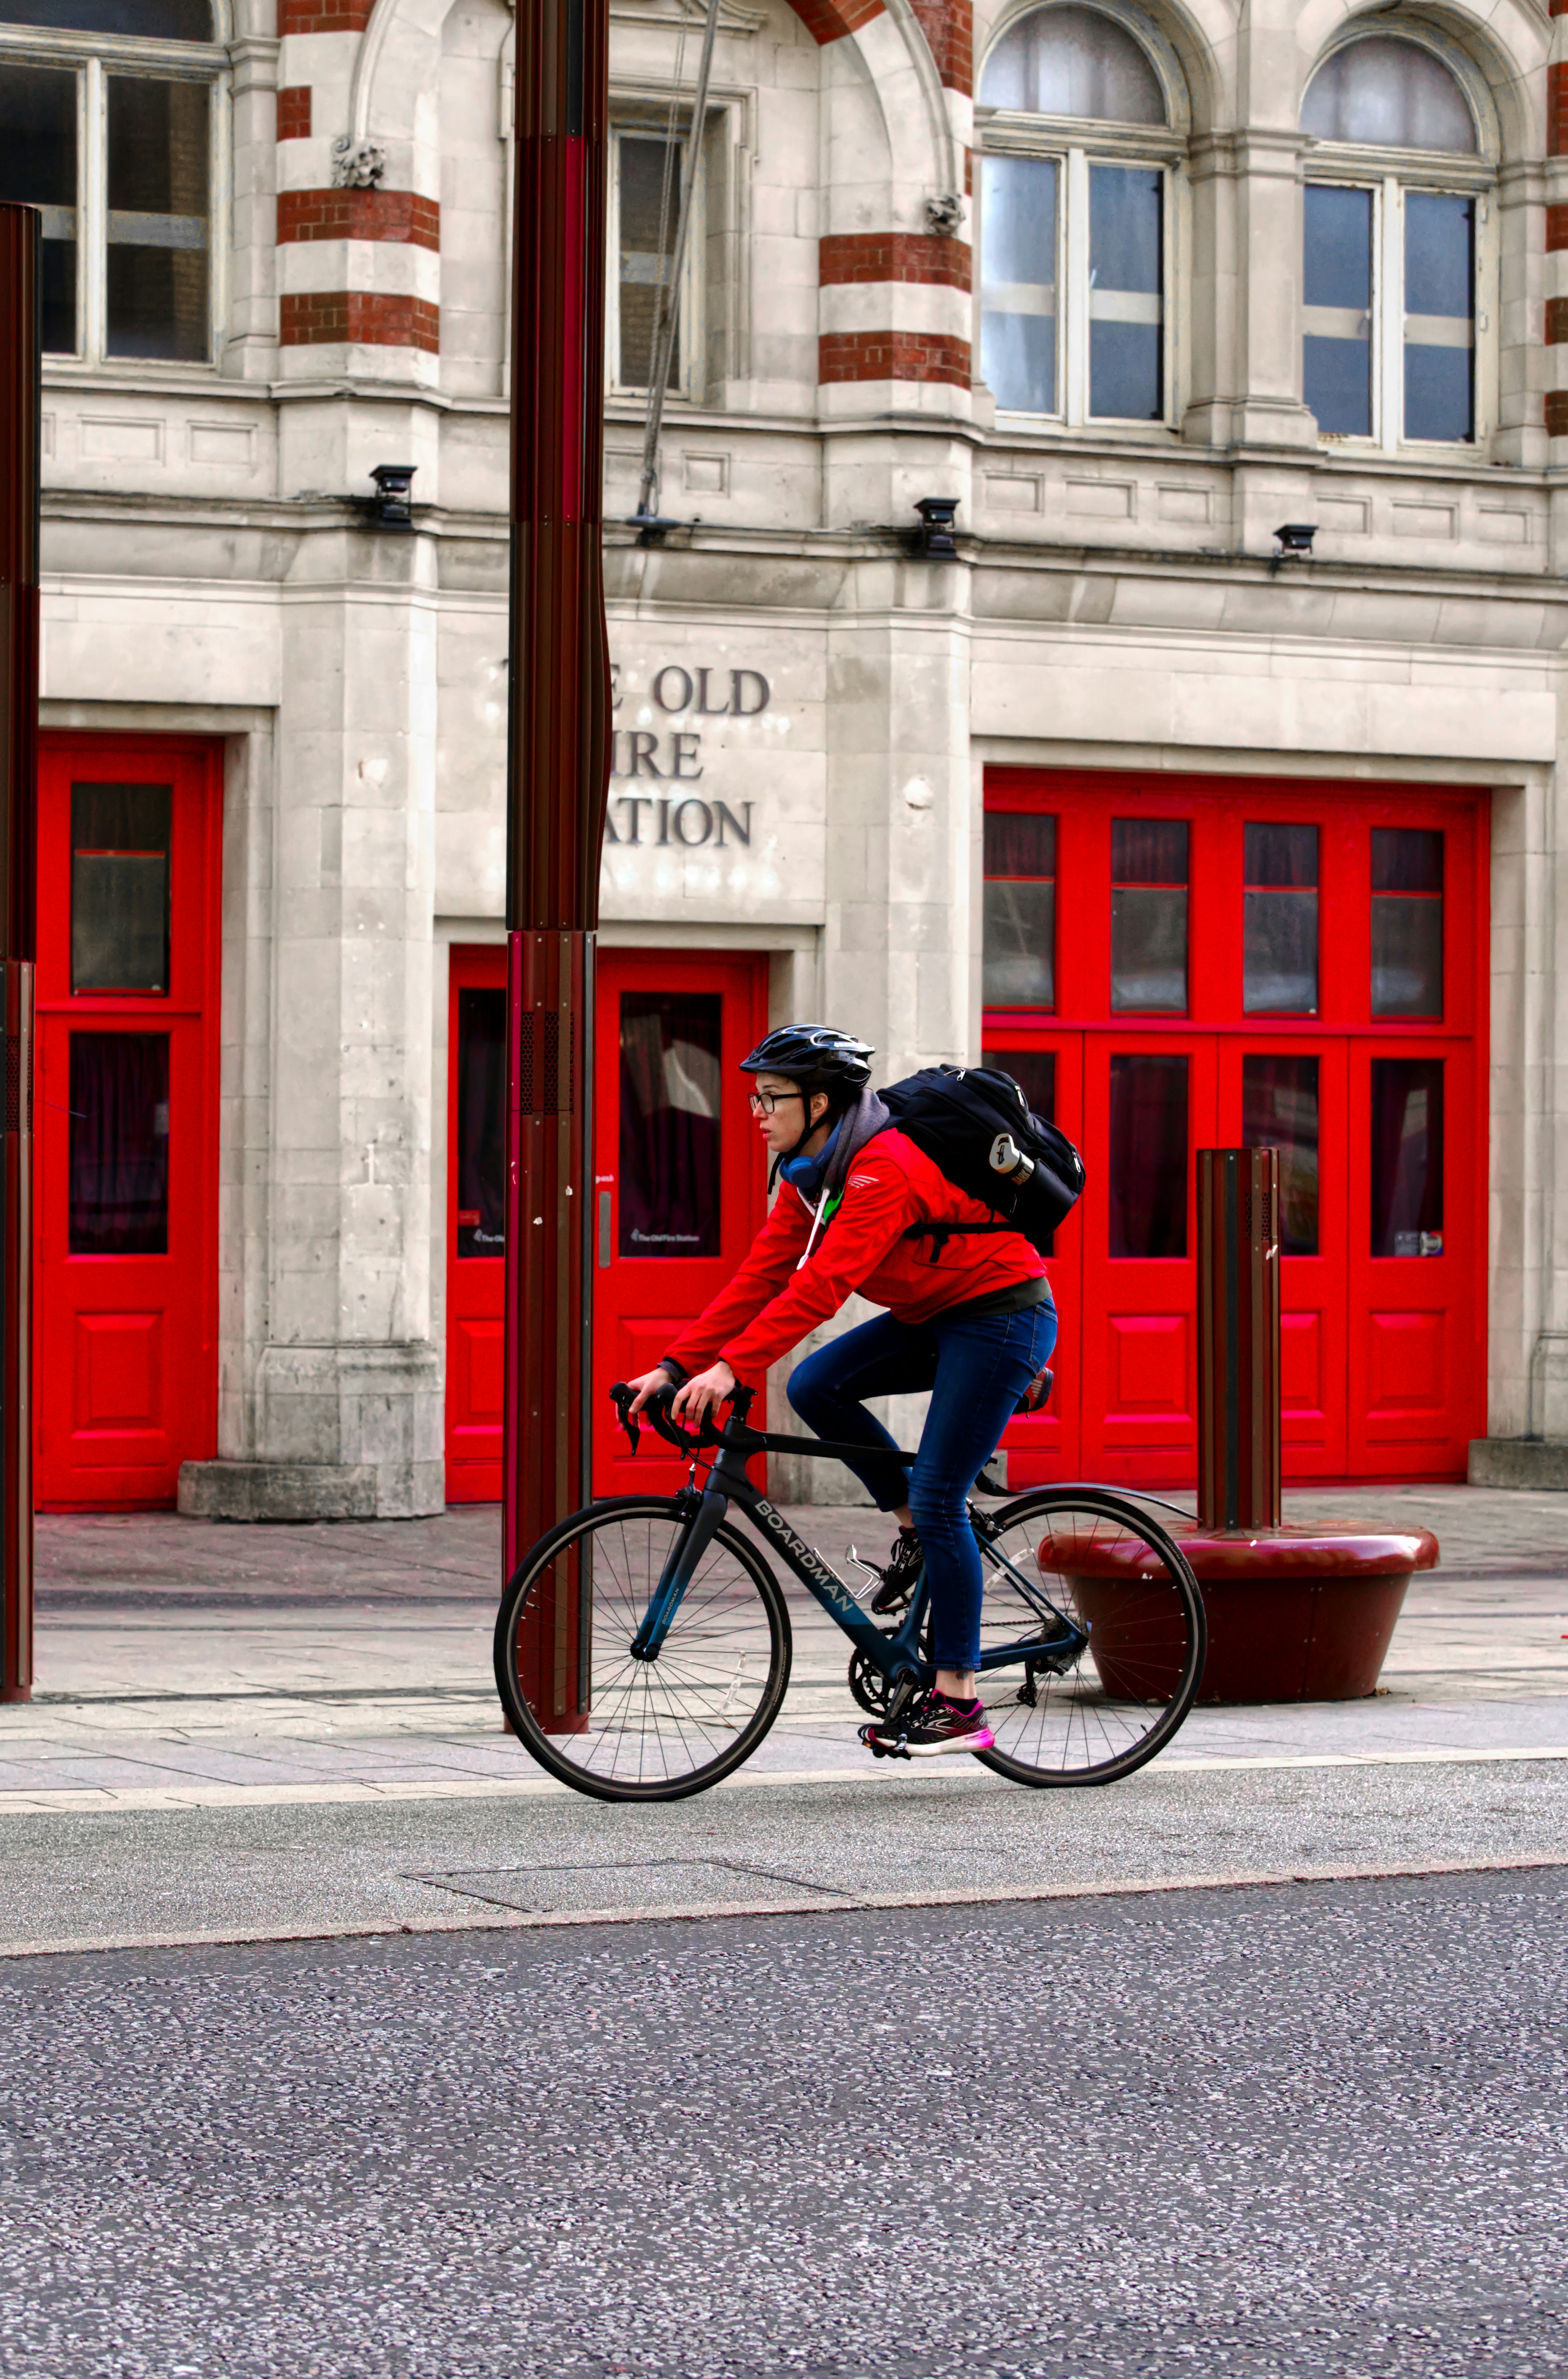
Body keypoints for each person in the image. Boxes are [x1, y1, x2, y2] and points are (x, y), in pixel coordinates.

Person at [625, 1025, 1057, 1756]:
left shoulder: (881, 1168)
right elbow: (762, 1275)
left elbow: (821, 1287)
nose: (757, 1111)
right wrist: (675, 1364)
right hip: (935, 1314)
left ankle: (958, 1702)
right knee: (816, 1383)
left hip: (1000, 1318)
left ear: (819, 1101)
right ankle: (914, 1532)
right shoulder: (811, 1171)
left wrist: (731, 1368)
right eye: (754, 1096)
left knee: (942, 1496)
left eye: (772, 1097)